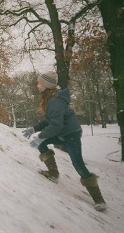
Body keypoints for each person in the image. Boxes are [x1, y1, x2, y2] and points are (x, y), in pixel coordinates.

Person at [22, 71, 107, 211]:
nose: (37, 85)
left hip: (71, 135)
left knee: (78, 164)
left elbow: (56, 125)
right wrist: (34, 129)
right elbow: (50, 120)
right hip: (61, 132)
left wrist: (39, 136)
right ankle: (53, 173)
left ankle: (99, 200)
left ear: (46, 85)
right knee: (42, 144)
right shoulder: (50, 98)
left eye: (39, 83)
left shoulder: (55, 101)